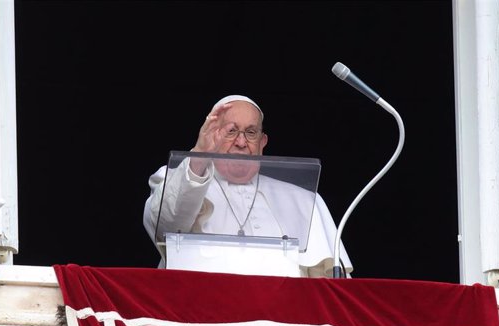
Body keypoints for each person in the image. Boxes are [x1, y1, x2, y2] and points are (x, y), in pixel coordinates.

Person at [143, 95, 353, 278]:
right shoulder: (178, 178)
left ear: (263, 142)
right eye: (231, 131)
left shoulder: (304, 200)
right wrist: (200, 153)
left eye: (251, 132)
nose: (241, 142)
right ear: (212, 135)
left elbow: (329, 283)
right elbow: (165, 227)